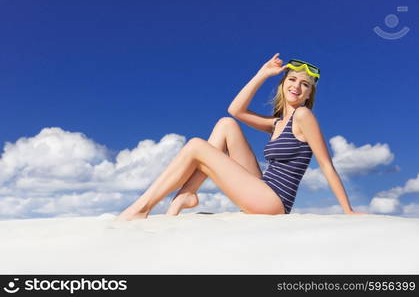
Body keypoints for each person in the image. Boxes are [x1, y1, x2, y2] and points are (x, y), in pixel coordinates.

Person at [115, 53, 364, 221]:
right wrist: (262, 74)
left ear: (309, 93)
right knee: (226, 124)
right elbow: (235, 110)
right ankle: (187, 194)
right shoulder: (277, 123)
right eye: (292, 79)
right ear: (283, 84)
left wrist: (348, 210)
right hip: (263, 187)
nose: (297, 86)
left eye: (305, 84)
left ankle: (142, 208)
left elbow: (326, 165)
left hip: (273, 202)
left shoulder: (303, 116)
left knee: (196, 147)